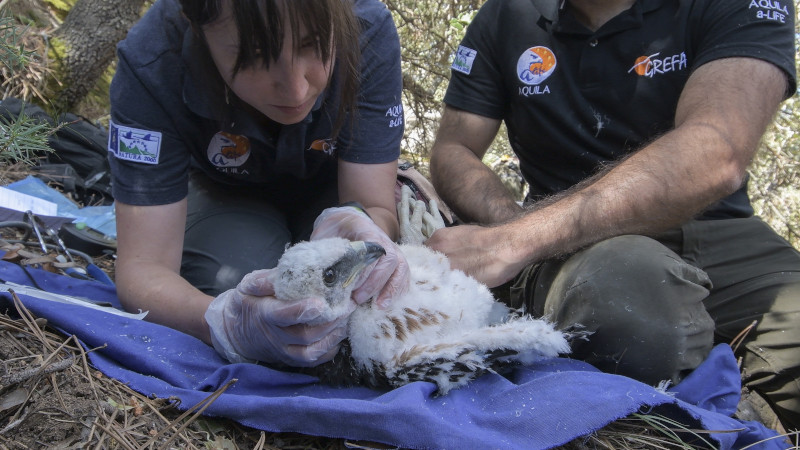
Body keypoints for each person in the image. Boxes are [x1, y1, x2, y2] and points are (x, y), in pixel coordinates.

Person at [426, 0, 800, 430]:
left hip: (723, 232)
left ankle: (744, 402)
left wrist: (513, 240)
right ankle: (709, 413)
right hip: (574, 245)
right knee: (630, 302)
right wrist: (510, 224)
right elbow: (454, 149)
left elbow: (716, 152)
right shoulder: (506, 16)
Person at [107, 0, 409, 368]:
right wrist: (221, 321)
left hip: (333, 185)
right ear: (196, 23)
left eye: (314, 44)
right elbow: (144, 267)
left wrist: (366, 227)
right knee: (250, 291)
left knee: (369, 297)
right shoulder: (151, 61)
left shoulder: (367, 29)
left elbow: (372, 203)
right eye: (256, 54)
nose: (296, 90)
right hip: (224, 189)